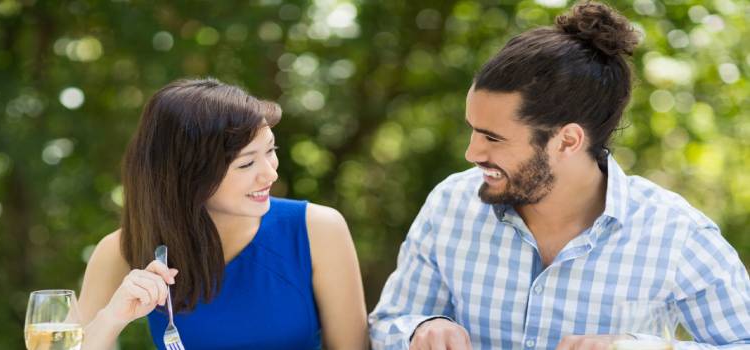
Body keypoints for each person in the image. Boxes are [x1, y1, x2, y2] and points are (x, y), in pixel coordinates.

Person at [369, 2, 750, 349]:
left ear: (567, 141)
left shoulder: (677, 233)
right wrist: (422, 328)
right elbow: (389, 320)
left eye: (493, 138)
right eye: (472, 129)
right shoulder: (450, 204)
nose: (472, 153)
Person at [76, 78, 368, 349]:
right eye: (246, 164)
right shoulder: (122, 248)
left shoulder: (318, 229)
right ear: (188, 174)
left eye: (270, 150)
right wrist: (112, 317)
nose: (269, 173)